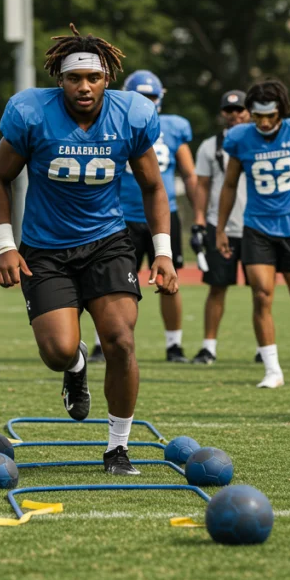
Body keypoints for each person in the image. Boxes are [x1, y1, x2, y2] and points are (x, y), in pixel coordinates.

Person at [0, 24, 178, 475]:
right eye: (75, 78)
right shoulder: (32, 113)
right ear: (61, 80)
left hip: (108, 243)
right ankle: (75, 367)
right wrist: (5, 245)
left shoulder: (131, 115)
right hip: (46, 249)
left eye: (93, 77)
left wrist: (164, 252)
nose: (84, 86)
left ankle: (117, 448)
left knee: (121, 340)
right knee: (57, 349)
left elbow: (153, 186)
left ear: (107, 78)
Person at [216, 79, 290, 388]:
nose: (265, 122)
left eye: (271, 115)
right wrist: (220, 228)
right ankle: (272, 369)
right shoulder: (241, 138)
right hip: (257, 227)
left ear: (282, 111)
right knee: (261, 295)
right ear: (250, 113)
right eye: (259, 116)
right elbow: (229, 185)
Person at [89, 70, 196, 364]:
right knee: (109, 285)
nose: (146, 103)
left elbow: (189, 174)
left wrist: (199, 216)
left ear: (160, 98)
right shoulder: (113, 121)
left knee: (169, 282)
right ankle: (101, 342)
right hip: (119, 217)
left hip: (163, 215)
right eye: (141, 97)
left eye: (150, 97)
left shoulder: (174, 127)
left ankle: (174, 345)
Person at [189, 89, 252, 364]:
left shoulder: (260, 142)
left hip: (255, 226)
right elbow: (202, 186)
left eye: (240, 110)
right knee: (217, 287)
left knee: (262, 290)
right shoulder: (210, 146)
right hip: (221, 226)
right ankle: (209, 347)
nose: (235, 115)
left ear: (250, 111)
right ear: (222, 114)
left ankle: (264, 348)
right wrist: (200, 222)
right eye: (230, 110)